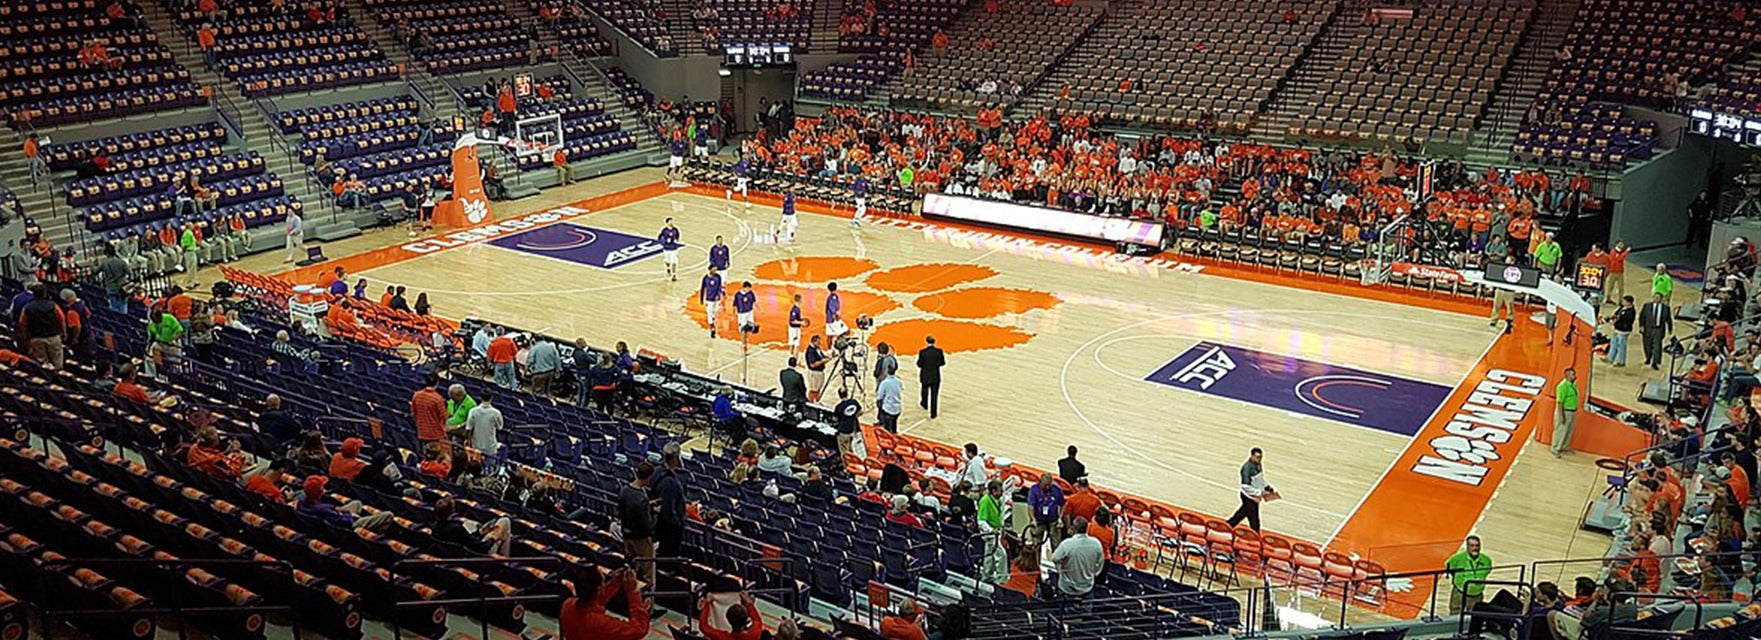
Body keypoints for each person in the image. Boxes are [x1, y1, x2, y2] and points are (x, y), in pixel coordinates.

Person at [559, 567, 651, 640]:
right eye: (604, 582)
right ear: (599, 589)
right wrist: (633, 592)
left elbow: (595, 602)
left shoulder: (567, 605)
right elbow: (639, 629)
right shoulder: (600, 624)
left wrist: (615, 583)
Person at [432, 495, 512, 555]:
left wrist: (480, 533)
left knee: (495, 529)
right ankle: (505, 562)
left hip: (465, 553)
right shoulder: (457, 528)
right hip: (480, 555)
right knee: (505, 522)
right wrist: (493, 538)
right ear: (452, 511)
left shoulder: (435, 527)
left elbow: (467, 539)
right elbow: (482, 546)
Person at [1050, 516, 1103, 605]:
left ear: (1073, 529)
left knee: (1064, 617)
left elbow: (1055, 558)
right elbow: (1100, 562)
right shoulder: (1096, 543)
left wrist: (1060, 570)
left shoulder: (1067, 544)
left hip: (1067, 588)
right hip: (1087, 586)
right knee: (1086, 616)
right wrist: (1095, 573)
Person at [620, 461, 656, 583]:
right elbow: (646, 525)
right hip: (641, 539)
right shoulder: (641, 498)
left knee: (631, 569)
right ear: (649, 477)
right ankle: (648, 600)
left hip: (626, 535)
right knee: (648, 573)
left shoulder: (624, 490)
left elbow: (622, 512)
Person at [17, 283, 66, 367]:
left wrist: (25, 337)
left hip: (36, 338)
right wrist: (64, 333)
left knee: (42, 364)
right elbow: (61, 320)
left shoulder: (27, 307)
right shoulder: (53, 305)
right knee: (57, 362)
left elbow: (22, 324)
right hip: (53, 336)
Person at [652, 443, 687, 557]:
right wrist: (679, 523)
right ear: (676, 458)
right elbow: (668, 511)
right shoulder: (670, 483)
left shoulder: (656, 471)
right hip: (668, 533)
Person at [1226, 448, 1271, 532]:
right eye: (1257, 457)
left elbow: (1259, 479)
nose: (1259, 459)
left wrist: (1266, 486)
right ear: (1252, 456)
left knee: (1242, 514)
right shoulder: (1247, 468)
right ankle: (1255, 535)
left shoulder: (1258, 464)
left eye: (1260, 457)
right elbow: (1245, 487)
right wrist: (1260, 492)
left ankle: (1227, 526)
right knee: (1254, 519)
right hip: (1248, 496)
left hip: (1254, 496)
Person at [1445, 535, 1492, 614]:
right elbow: (1449, 568)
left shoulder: (1486, 560)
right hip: (1460, 593)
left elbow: (1487, 571)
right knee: (1455, 615)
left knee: (1474, 617)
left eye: (1477, 545)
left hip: (1477, 595)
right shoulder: (1457, 558)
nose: (1475, 548)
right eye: (1472, 545)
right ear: (1467, 547)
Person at [1027, 472, 1065, 548]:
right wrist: (1033, 519)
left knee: (1056, 543)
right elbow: (1031, 506)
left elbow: (1063, 505)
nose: (1047, 487)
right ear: (1040, 482)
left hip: (1053, 520)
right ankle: (1036, 558)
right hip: (1038, 520)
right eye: (1045, 485)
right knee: (1036, 543)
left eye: (1049, 485)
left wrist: (1060, 518)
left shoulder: (1057, 490)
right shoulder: (1034, 490)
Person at [411, 373, 449, 448]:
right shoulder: (438, 399)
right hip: (436, 433)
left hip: (422, 431)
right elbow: (444, 416)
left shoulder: (416, 395)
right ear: (437, 383)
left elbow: (413, 413)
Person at [463, 389, 502, 457]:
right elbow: (500, 427)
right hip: (490, 447)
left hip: (476, 446)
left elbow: (468, 428)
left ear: (480, 398)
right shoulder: (496, 413)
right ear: (491, 398)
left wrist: (468, 441)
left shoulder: (473, 411)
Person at [1639, 293, 1672, 370]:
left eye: (1658, 298)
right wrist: (1641, 326)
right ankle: (1648, 357)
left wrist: (1670, 329)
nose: (1656, 299)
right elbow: (1642, 316)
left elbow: (1668, 319)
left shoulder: (1665, 308)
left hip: (1658, 329)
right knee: (1647, 344)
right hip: (1648, 328)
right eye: (1655, 297)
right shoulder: (1647, 306)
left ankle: (1655, 362)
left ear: (1661, 299)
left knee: (1657, 346)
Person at [1553, 368, 1579, 457]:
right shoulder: (1562, 386)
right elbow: (1560, 402)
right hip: (1565, 411)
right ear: (1567, 376)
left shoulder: (1572, 385)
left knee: (1568, 431)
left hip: (1572, 412)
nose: (1575, 376)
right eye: (1573, 375)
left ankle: (1564, 448)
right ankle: (1555, 448)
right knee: (1561, 430)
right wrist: (1562, 416)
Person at [917, 335, 945, 418]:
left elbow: (919, 364)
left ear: (926, 342)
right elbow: (942, 363)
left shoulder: (923, 352)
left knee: (924, 391)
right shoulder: (939, 351)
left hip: (925, 375)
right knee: (934, 395)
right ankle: (933, 413)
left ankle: (924, 404)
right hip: (935, 376)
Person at [1606, 295, 1634, 366]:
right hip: (1617, 329)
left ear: (1629, 303)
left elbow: (1626, 322)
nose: (1623, 302)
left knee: (1621, 346)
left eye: (1624, 301)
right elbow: (1616, 314)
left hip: (1623, 331)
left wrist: (1616, 323)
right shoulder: (1622, 307)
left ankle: (1621, 361)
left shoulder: (1631, 312)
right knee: (1614, 343)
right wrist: (1612, 319)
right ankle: (1610, 358)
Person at [833, 386, 861, 455]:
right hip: (853, 430)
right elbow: (860, 411)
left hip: (844, 432)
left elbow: (835, 420)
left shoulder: (839, 407)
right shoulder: (854, 402)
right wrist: (853, 416)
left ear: (839, 395)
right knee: (852, 450)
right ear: (847, 393)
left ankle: (846, 465)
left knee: (844, 453)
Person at [876, 361, 903, 432]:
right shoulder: (899, 381)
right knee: (894, 426)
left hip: (888, 408)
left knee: (886, 429)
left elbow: (879, 396)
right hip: (897, 408)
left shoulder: (884, 383)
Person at [700, 267, 725, 338]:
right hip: (709, 299)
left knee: (715, 312)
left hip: (717, 299)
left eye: (716, 270)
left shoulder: (718, 277)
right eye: (714, 270)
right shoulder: (705, 278)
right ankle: (712, 328)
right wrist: (701, 299)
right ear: (710, 270)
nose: (715, 271)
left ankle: (713, 321)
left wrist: (719, 294)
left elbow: (719, 287)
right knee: (709, 313)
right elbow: (702, 288)